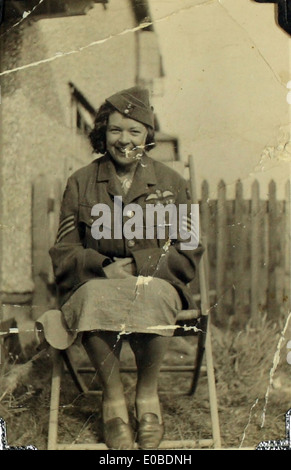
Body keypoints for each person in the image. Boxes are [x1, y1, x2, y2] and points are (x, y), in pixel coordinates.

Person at [37, 86, 203, 450]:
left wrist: (140, 265)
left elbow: (189, 248)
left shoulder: (173, 184)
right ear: (102, 133)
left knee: (153, 294)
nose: (124, 140)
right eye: (115, 130)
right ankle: (112, 403)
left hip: (158, 281)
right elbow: (64, 250)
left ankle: (147, 398)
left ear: (148, 136)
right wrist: (102, 265)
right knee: (94, 297)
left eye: (134, 131)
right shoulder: (81, 182)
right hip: (97, 281)